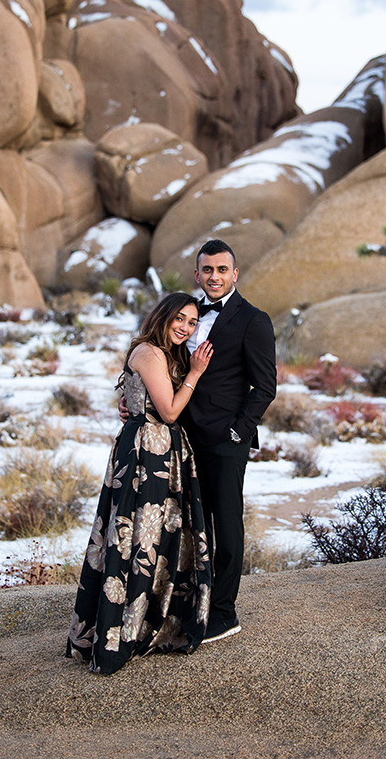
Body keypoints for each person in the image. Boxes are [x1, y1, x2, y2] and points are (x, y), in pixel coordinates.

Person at [120, 239, 277, 644]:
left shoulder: (253, 320)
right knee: (190, 525)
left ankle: (224, 612)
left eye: (222, 270)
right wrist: (136, 403)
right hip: (179, 437)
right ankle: (191, 602)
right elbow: (163, 367)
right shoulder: (187, 316)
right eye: (208, 270)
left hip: (225, 441)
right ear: (197, 274)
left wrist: (238, 432)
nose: (215, 277)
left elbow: (265, 387)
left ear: (235, 274)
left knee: (225, 525)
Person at [66, 292, 214, 675]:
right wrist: (195, 374)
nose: (185, 326)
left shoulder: (164, 353)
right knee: (135, 538)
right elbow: (167, 411)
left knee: (155, 538)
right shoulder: (150, 352)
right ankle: (120, 633)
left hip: (160, 451)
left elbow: (142, 399)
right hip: (148, 452)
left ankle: (148, 622)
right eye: (179, 318)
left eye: (192, 322)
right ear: (163, 316)